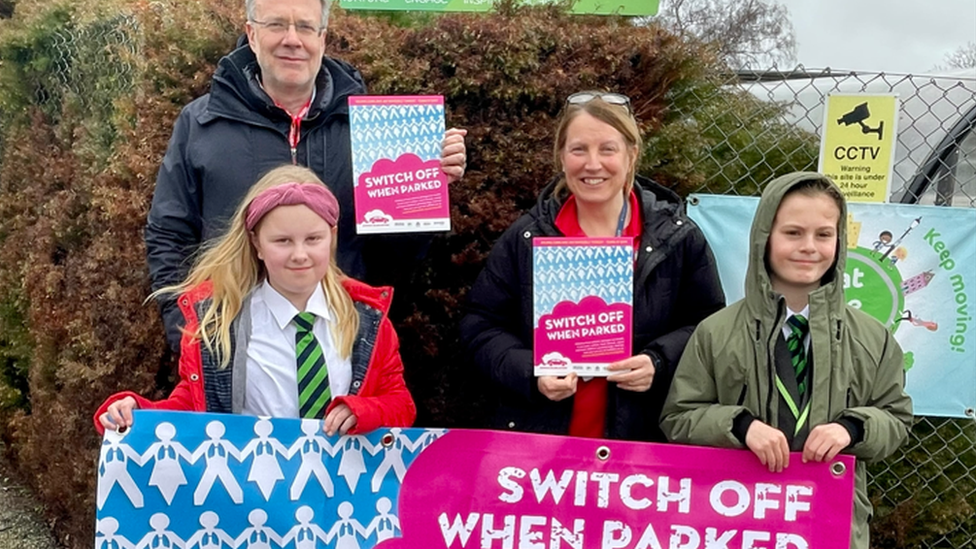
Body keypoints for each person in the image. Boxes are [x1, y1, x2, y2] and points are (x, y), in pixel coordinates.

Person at [147, 0, 467, 353]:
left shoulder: (372, 130)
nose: (292, 39)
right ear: (251, 34)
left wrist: (426, 186)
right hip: (231, 348)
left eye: (305, 27)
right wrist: (186, 336)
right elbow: (169, 235)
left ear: (323, 38)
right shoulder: (201, 124)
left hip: (341, 345)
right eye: (276, 25)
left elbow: (394, 259)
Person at [660, 172, 913, 549]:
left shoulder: (873, 338)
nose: (809, 247)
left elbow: (895, 418)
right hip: (737, 523)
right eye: (793, 233)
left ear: (840, 242)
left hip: (831, 523)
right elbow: (678, 418)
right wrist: (740, 425)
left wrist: (853, 429)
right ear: (765, 238)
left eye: (824, 234)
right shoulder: (716, 332)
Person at [460, 92, 725, 441]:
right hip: (542, 443)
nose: (593, 164)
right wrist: (531, 373)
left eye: (608, 149)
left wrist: (659, 363)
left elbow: (710, 326)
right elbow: (479, 326)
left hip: (641, 444)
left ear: (631, 155)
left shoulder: (676, 238)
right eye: (579, 149)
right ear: (562, 156)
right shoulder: (526, 237)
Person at [96, 165, 416, 437]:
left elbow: (401, 404)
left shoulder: (366, 320)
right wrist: (138, 415)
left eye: (313, 239)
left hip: (339, 497)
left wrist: (364, 411)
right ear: (256, 244)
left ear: (332, 236)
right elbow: (191, 409)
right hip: (253, 498)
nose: (300, 254)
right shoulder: (220, 324)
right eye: (282, 241)